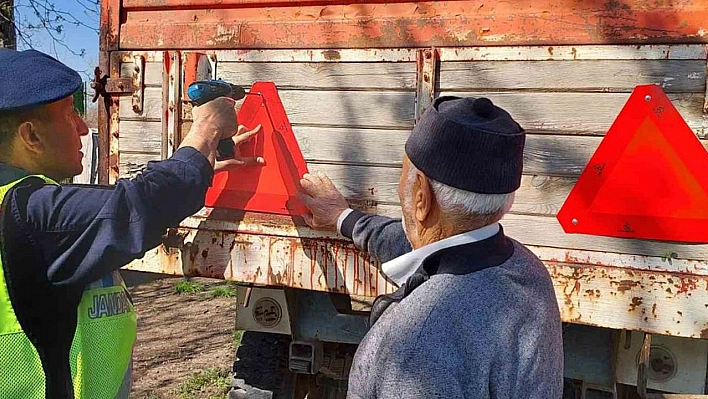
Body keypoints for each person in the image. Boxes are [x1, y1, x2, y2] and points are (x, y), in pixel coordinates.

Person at [0, 49, 261, 398]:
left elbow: (110, 209)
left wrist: (201, 163)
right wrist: (207, 128)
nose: (82, 127)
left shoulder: (23, 206)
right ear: (30, 136)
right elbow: (140, 205)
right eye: (69, 116)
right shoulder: (31, 212)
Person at [299, 96, 563, 398]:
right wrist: (342, 218)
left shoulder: (415, 345)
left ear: (421, 196)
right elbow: (419, 247)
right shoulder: (526, 269)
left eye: (402, 177)